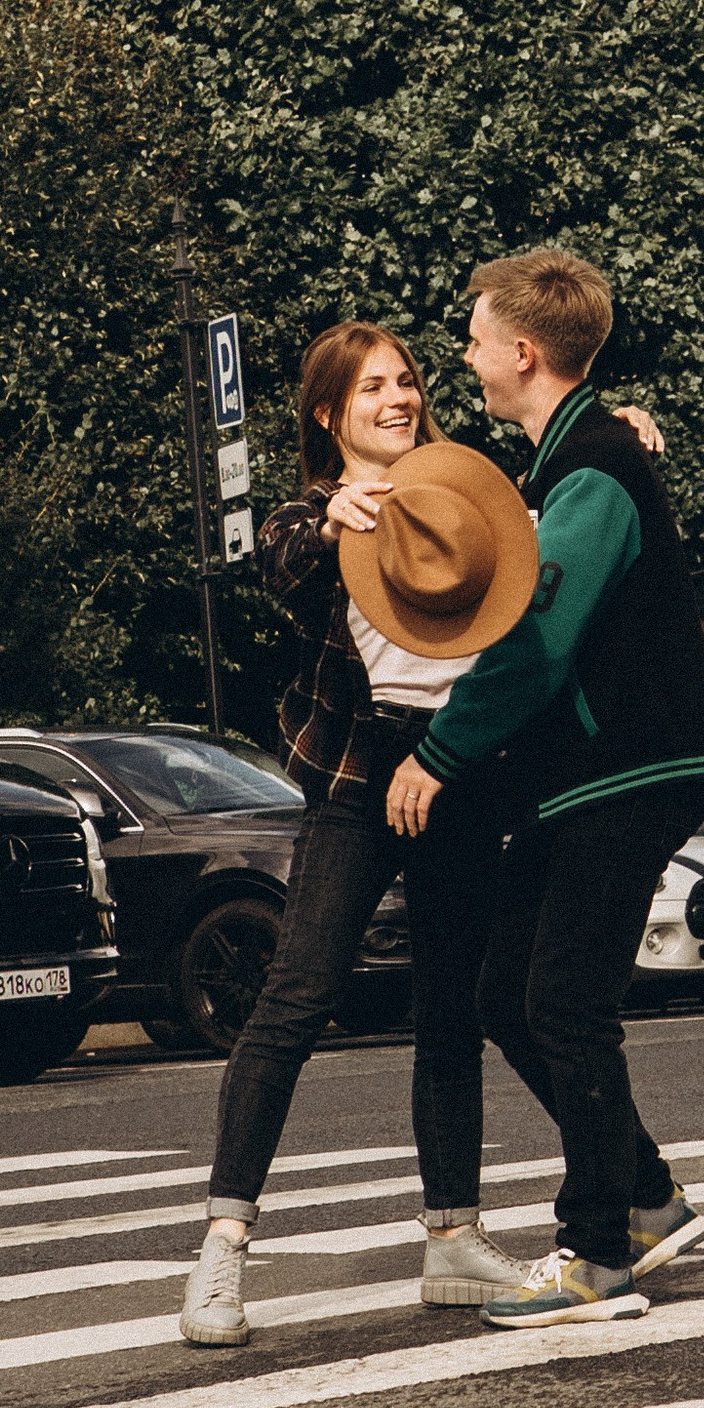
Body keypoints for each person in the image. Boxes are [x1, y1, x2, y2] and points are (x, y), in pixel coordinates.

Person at [179, 324, 543, 1350]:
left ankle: (453, 1235)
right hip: (356, 773)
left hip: (458, 772)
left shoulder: (463, 489)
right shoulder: (313, 514)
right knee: (296, 995)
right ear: (331, 415)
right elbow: (281, 562)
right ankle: (222, 1245)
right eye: (373, 387)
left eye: (408, 381)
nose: (399, 397)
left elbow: (540, 523)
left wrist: (628, 431)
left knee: (450, 1008)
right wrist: (333, 523)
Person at [388, 248, 704, 1330]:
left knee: (566, 1003)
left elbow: (537, 642)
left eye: (477, 337)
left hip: (626, 771)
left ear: (523, 352)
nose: (467, 355)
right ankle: (648, 1197)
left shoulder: (592, 470)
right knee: (506, 994)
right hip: (585, 779)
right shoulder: (575, 456)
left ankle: (595, 1256)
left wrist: (436, 753)